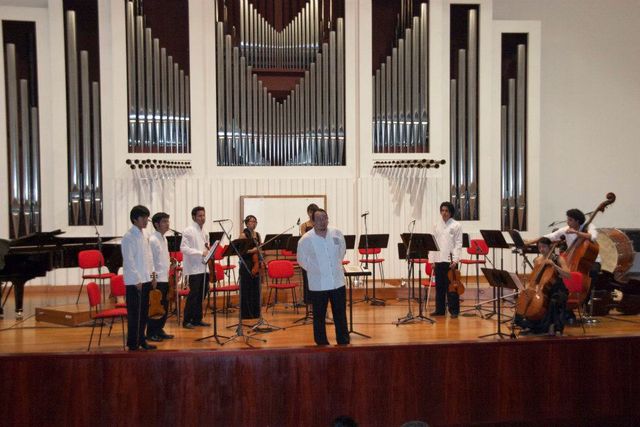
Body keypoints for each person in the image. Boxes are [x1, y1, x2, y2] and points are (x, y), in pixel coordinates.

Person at [297, 209, 349, 345]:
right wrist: (317, 270)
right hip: (318, 284)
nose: (322, 221)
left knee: (340, 315)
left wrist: (334, 265)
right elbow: (302, 260)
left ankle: (343, 343)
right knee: (319, 317)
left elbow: (342, 251)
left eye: (325, 218)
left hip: (337, 282)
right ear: (313, 221)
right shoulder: (306, 239)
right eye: (319, 219)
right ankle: (322, 344)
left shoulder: (337, 233)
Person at [515, 237, 572, 336]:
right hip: (540, 289)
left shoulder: (558, 259)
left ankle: (552, 327)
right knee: (526, 301)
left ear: (550, 247)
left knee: (554, 301)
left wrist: (554, 265)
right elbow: (534, 276)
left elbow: (568, 275)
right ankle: (532, 326)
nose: (541, 249)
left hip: (557, 288)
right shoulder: (537, 260)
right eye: (539, 247)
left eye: (544, 247)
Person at [121, 205, 156, 351]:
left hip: (146, 279)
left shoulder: (144, 235)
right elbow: (129, 261)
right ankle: (133, 343)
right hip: (135, 282)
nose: (147, 220)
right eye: (143, 217)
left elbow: (149, 257)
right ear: (135, 219)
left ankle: (142, 339)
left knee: (143, 314)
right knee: (135, 314)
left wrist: (153, 275)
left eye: (147, 217)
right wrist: (137, 280)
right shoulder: (128, 237)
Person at [429, 201, 463, 318]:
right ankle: (440, 310)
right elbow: (433, 243)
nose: (444, 213)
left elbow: (458, 244)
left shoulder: (456, 225)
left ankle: (454, 311)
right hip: (439, 260)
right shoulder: (436, 225)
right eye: (442, 210)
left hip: (450, 261)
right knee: (440, 288)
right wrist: (432, 261)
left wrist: (456, 260)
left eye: (447, 211)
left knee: (452, 287)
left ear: (450, 212)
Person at [180, 206, 211, 329]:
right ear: (194, 217)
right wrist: (200, 252)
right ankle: (187, 320)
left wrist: (208, 251)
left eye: (203, 215)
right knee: (194, 295)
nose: (202, 218)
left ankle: (197, 319)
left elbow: (206, 248)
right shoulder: (188, 231)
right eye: (199, 216)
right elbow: (183, 248)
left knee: (202, 294)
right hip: (193, 269)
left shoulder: (205, 232)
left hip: (204, 267)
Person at [147, 212, 175, 342]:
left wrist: (171, 263)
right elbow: (151, 259)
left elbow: (162, 258)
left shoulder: (164, 238)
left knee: (164, 306)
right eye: (164, 221)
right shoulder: (152, 239)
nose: (167, 224)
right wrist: (153, 277)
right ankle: (151, 332)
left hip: (165, 277)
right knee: (155, 307)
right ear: (156, 224)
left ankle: (159, 329)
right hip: (157, 279)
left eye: (168, 221)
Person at [239, 215, 262, 319]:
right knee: (247, 288)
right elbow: (242, 251)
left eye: (255, 221)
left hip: (256, 262)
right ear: (247, 223)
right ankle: (246, 313)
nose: (254, 223)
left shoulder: (257, 234)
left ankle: (255, 312)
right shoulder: (243, 235)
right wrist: (253, 250)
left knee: (255, 288)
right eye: (252, 221)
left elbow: (260, 247)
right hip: (247, 263)